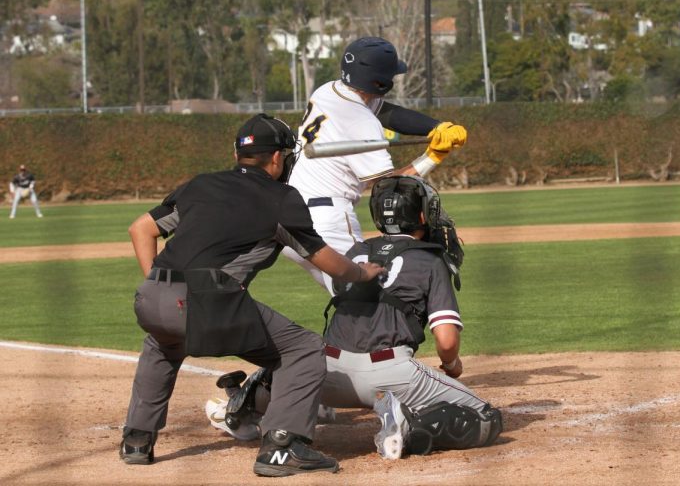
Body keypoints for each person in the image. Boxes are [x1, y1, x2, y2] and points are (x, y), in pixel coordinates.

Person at [119, 113, 385, 478]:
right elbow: (330, 264)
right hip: (206, 299)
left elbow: (141, 229)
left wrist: (160, 285)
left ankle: (137, 439)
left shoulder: (200, 184)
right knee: (304, 349)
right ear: (277, 158)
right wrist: (362, 272)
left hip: (151, 297)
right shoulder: (281, 198)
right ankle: (282, 446)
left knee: (163, 344)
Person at [204, 175, 502, 460]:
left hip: (326, 372)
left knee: (293, 363)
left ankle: (240, 410)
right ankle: (408, 427)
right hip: (389, 374)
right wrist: (452, 365)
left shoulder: (357, 250)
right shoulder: (430, 259)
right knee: (487, 417)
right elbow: (447, 342)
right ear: (423, 216)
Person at [282, 36, 467, 295]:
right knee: (375, 297)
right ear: (379, 82)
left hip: (288, 214)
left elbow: (389, 112)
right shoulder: (362, 122)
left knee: (351, 303)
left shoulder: (327, 90)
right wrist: (433, 157)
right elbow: (389, 190)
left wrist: (436, 126)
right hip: (327, 222)